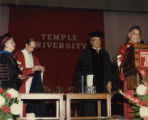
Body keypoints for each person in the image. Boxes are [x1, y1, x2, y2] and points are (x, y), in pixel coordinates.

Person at [75, 30, 116, 116]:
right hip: (90, 88)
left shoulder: (105, 54)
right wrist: (84, 85)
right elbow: (80, 72)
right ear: (91, 42)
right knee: (90, 111)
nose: (97, 42)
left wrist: (110, 81)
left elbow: (110, 69)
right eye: (95, 40)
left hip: (103, 87)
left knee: (103, 111)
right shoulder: (86, 54)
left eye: (99, 40)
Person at [15, 38, 46, 117]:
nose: (32, 50)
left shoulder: (34, 57)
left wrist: (41, 69)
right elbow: (18, 71)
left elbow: (37, 69)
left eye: (33, 48)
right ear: (26, 45)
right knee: (23, 106)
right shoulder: (19, 55)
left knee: (32, 106)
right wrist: (32, 69)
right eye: (31, 47)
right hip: (23, 84)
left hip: (33, 85)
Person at [117, 25, 142, 119]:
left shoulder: (143, 47)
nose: (137, 36)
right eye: (134, 33)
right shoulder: (124, 48)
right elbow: (120, 64)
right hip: (130, 79)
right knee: (130, 105)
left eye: (138, 34)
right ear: (129, 35)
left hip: (142, 79)